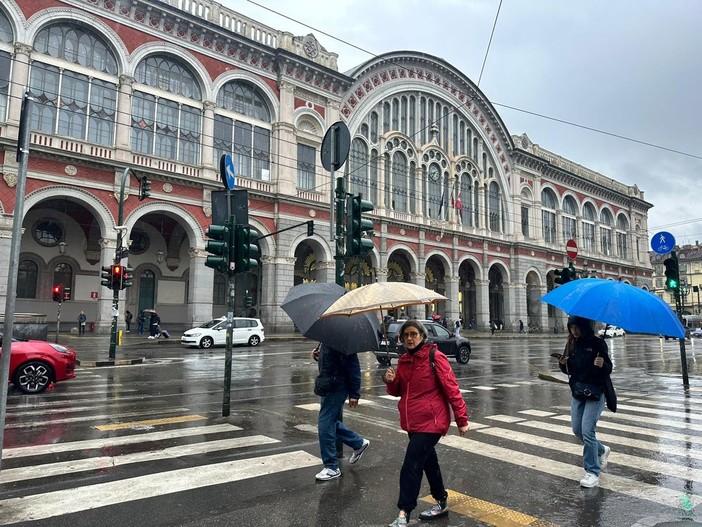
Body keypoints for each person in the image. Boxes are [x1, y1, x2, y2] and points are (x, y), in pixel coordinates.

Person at [382, 320, 469, 526]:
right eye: (406, 336)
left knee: (411, 464)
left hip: (432, 420)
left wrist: (461, 419)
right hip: (412, 421)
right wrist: (390, 381)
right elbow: (398, 391)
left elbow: (451, 388)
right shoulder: (403, 360)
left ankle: (404, 512)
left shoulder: (434, 357)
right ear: (402, 339)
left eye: (414, 334)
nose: (410, 338)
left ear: (422, 336)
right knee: (429, 462)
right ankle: (441, 501)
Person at [556, 316, 612, 488]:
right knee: (577, 430)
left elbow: (608, 368)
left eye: (577, 327)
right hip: (578, 392)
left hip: (595, 392)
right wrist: (563, 363)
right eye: (571, 328)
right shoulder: (571, 344)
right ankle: (601, 450)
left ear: (585, 327)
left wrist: (601, 364)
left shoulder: (598, 343)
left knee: (587, 430)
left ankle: (592, 471)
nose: (574, 331)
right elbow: (571, 370)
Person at [312, 342, 370, 481]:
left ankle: (332, 467)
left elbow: (354, 368)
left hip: (337, 388)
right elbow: (330, 363)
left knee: (325, 424)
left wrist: (354, 394)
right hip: (327, 386)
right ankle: (358, 443)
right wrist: (318, 356)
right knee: (329, 422)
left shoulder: (342, 342)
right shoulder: (327, 340)